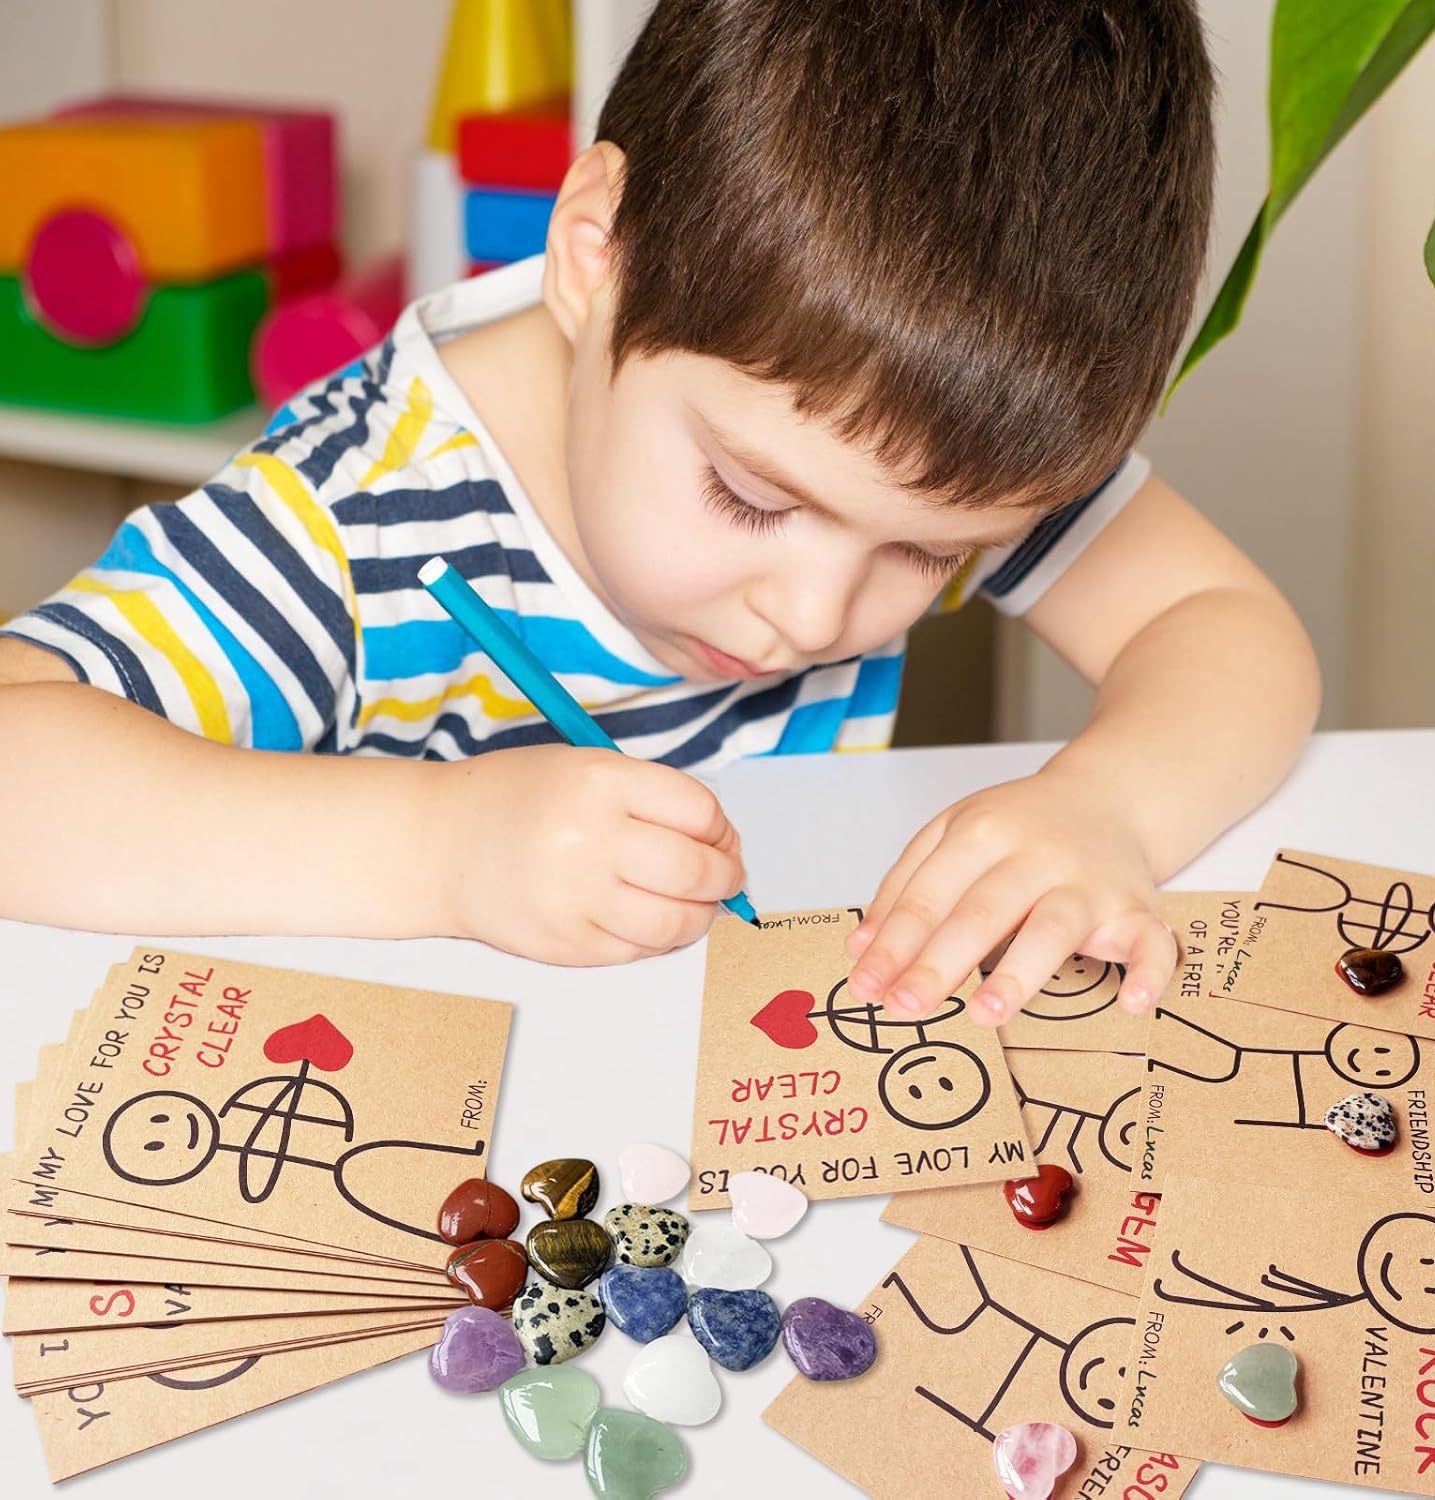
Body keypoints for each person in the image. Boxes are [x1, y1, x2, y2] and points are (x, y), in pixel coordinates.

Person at [0, 2, 1319, 1025]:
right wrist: (445, 851)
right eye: (750, 496)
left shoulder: (917, 442)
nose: (818, 617)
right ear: (594, 255)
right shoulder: (358, 515)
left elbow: (1223, 625)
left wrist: (1106, 809)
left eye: (930, 555)